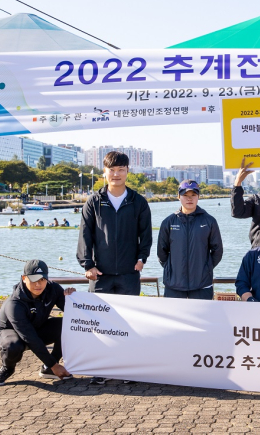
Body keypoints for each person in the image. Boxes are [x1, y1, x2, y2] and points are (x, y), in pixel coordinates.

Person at [77, 151, 152, 385]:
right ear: (105, 172)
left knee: (129, 323)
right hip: (101, 274)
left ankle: (128, 368)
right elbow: (85, 235)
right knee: (101, 324)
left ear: (128, 171)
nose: (116, 174)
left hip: (129, 273)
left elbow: (146, 235)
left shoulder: (138, 201)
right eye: (112, 170)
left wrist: (142, 258)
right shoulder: (94, 201)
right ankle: (101, 368)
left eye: (121, 170)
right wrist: (88, 264)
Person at [0, 259, 76, 386]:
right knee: (12, 346)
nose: (38, 284)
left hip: (37, 326)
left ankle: (48, 368)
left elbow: (74, 314)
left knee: (69, 326)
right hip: (11, 333)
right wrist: (55, 365)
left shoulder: (53, 289)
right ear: (24, 278)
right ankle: (7, 368)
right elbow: (29, 337)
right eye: (34, 280)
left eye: (42, 279)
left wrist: (73, 299)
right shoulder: (14, 304)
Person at [157, 180, 223, 299]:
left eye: (193, 195)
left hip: (202, 285)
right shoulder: (168, 222)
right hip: (174, 285)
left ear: (198, 196)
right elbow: (161, 251)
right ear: (178, 196)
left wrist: (206, 268)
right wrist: (171, 269)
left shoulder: (209, 221)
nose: (189, 198)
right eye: (185, 195)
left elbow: (217, 250)